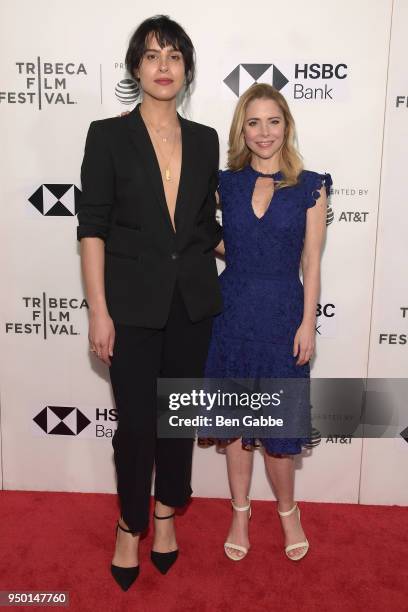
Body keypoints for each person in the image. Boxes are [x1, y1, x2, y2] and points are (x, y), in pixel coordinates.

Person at [77, 15, 222, 591]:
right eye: (153, 56)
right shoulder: (107, 136)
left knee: (177, 420)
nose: (164, 67)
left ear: (187, 71)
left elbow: (203, 228)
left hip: (192, 304)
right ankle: (128, 525)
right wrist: (98, 310)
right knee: (136, 425)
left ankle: (166, 516)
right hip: (131, 306)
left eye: (175, 57)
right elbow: (93, 228)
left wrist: (265, 248)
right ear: (136, 67)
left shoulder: (207, 139)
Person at [203, 83, 331, 562]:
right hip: (231, 310)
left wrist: (307, 322)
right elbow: (203, 232)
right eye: (253, 122)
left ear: (286, 126)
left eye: (272, 121)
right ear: (242, 128)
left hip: (282, 313)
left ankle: (287, 510)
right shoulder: (226, 183)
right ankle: (240, 511)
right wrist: (234, 252)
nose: (263, 132)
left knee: (277, 426)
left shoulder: (310, 185)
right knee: (235, 422)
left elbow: (312, 264)